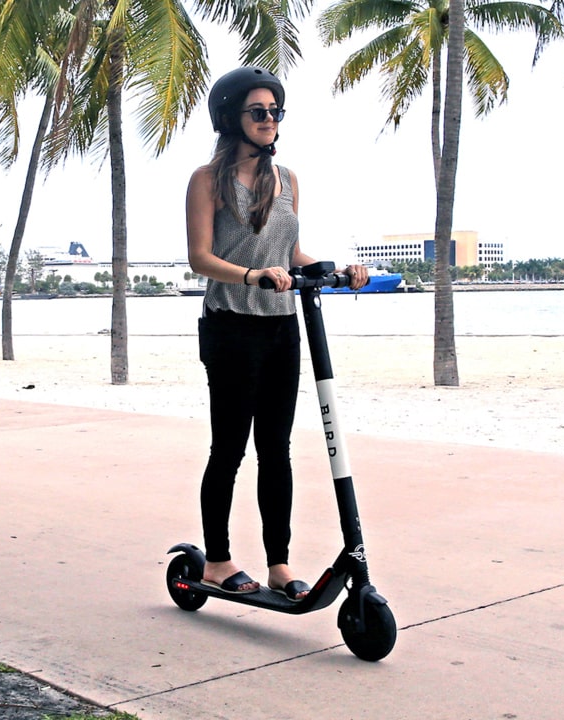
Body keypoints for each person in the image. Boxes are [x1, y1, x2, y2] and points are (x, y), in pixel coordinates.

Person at [185, 66, 368, 603]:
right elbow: (200, 257)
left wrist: (336, 268)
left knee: (277, 450)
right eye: (258, 112)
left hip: (281, 327)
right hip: (231, 326)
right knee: (229, 449)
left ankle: (278, 563)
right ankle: (217, 560)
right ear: (231, 117)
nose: (269, 120)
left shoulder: (287, 180)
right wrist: (251, 276)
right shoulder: (207, 180)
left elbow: (287, 254)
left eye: (275, 112)